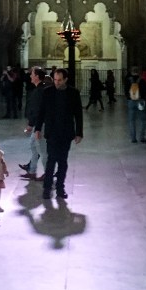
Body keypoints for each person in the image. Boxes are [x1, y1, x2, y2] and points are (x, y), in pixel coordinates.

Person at [34, 67, 83, 201]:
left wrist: (79, 133)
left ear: (65, 80)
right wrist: (37, 128)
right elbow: (41, 111)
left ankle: (60, 188)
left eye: (60, 80)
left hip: (66, 133)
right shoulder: (47, 92)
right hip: (52, 132)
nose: (57, 83)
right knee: (51, 160)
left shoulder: (73, 93)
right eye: (55, 80)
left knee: (62, 161)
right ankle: (47, 188)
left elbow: (78, 114)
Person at [20, 67, 50, 180]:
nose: (30, 76)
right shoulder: (38, 89)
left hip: (39, 125)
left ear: (37, 76)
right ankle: (32, 170)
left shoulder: (40, 91)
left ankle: (48, 173)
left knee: (42, 150)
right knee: (33, 146)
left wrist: (31, 125)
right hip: (37, 124)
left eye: (32, 74)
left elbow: (37, 110)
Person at [124, 65, 146, 144]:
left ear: (131, 72)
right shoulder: (142, 80)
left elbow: (125, 91)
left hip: (131, 101)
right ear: (138, 72)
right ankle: (142, 137)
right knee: (143, 119)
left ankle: (133, 138)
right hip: (140, 101)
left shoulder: (128, 80)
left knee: (132, 120)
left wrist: (129, 97)